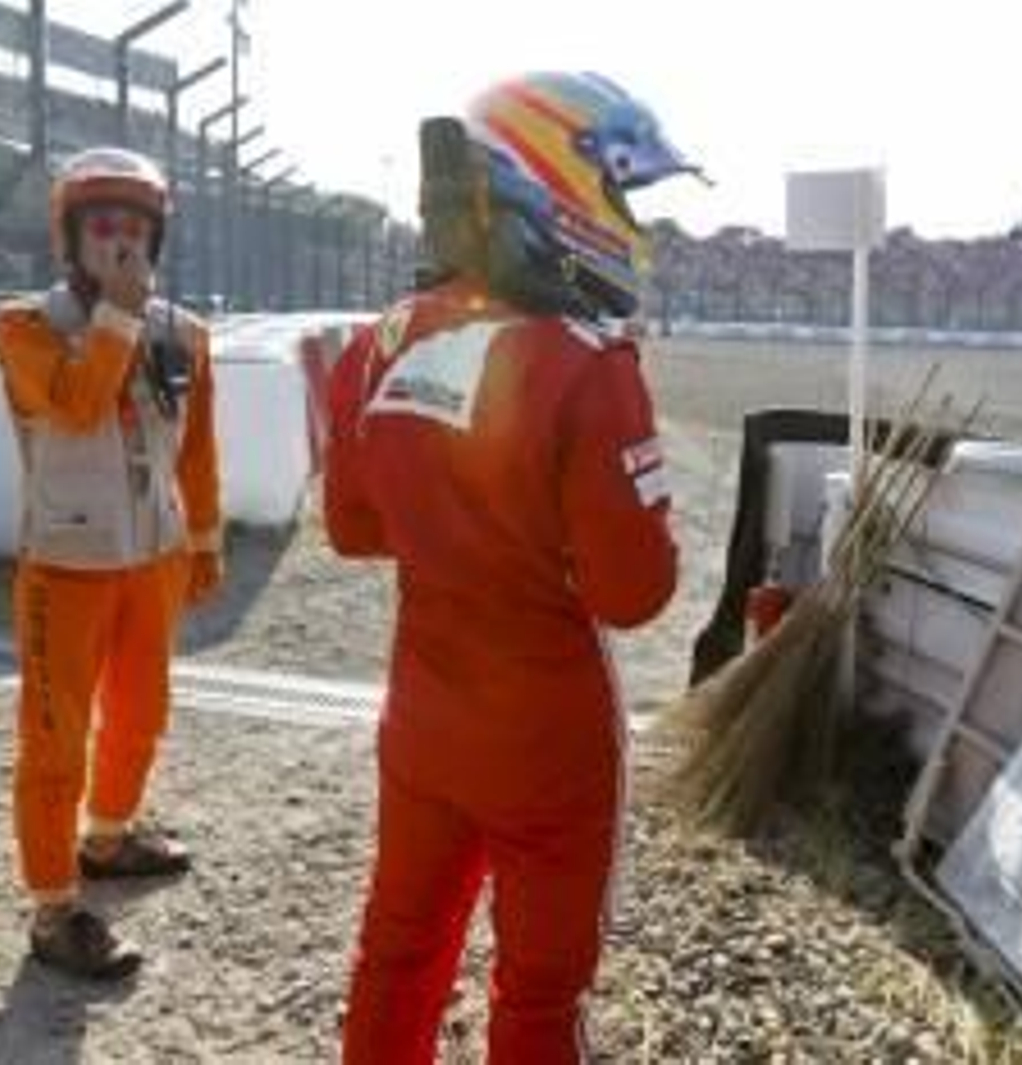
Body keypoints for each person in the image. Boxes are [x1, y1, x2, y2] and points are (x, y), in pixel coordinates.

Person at [324, 72, 700, 1063]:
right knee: (538, 996)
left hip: (420, 710)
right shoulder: (587, 359)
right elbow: (636, 593)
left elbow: (354, 530)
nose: (628, 221)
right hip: (546, 732)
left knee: (397, 951)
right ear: (554, 184)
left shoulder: (379, 340)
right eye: (622, 190)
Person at [0, 147, 223, 980]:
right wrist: (119, 317)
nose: (120, 241)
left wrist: (202, 539)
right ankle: (54, 908)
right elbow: (81, 405)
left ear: (156, 235)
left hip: (151, 558)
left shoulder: (186, 333)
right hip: (65, 563)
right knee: (53, 739)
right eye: (102, 226)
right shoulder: (23, 326)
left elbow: (195, 447)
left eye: (135, 227)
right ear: (71, 236)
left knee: (140, 710)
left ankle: (110, 836)